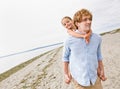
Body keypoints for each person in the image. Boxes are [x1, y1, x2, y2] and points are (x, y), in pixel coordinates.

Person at [62, 9, 107, 89]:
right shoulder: (69, 40)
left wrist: (102, 70)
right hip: (79, 80)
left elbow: (99, 56)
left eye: (90, 19)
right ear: (77, 23)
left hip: (95, 79)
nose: (89, 22)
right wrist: (66, 74)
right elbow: (65, 58)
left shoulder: (97, 38)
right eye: (85, 20)